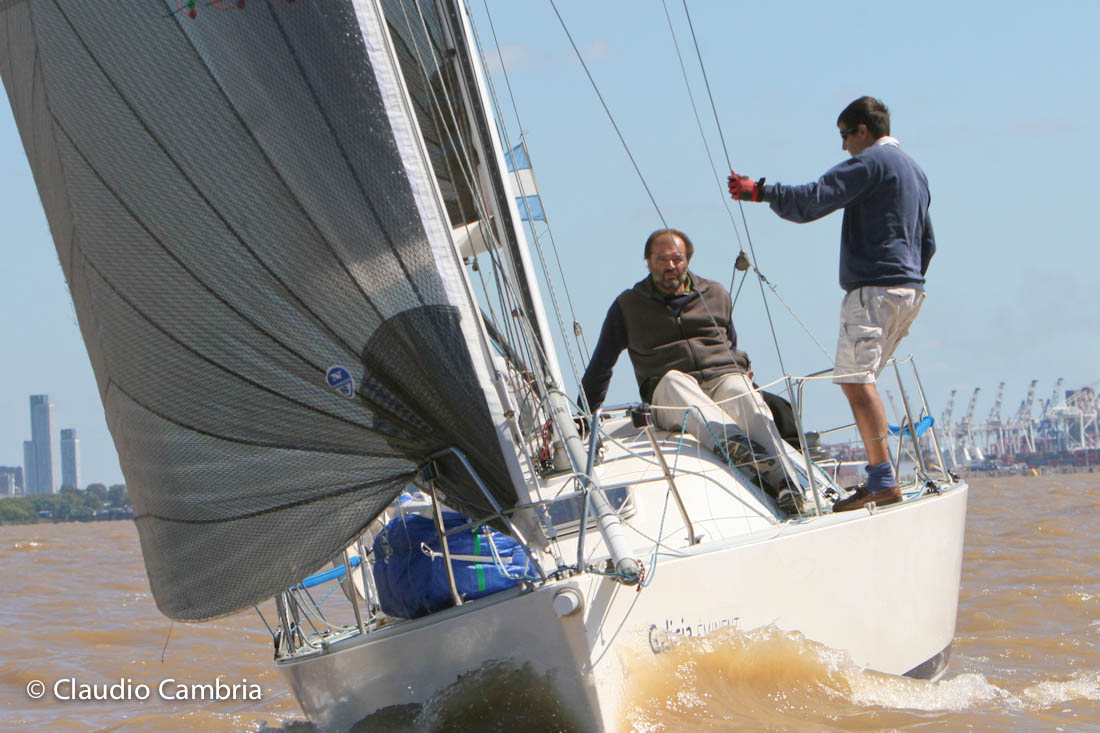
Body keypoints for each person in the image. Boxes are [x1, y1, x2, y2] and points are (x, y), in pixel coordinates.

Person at [727, 95, 934, 512]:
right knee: (863, 380)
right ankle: (883, 477)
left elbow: (814, 199)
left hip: (875, 289)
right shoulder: (914, 170)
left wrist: (760, 192)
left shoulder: (872, 162)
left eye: (845, 135)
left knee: (856, 381)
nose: (843, 146)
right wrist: (907, 276)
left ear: (863, 130)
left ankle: (882, 481)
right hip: (910, 289)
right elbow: (927, 241)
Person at [579, 227, 808, 514]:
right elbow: (602, 364)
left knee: (741, 389)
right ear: (648, 262)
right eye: (662, 259)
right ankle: (734, 445)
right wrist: (583, 415)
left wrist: (742, 371)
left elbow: (729, 345)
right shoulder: (627, 306)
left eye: (677, 259)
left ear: (688, 260)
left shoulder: (715, 293)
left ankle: (788, 483)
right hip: (668, 395)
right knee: (675, 381)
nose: (670, 266)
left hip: (720, 380)